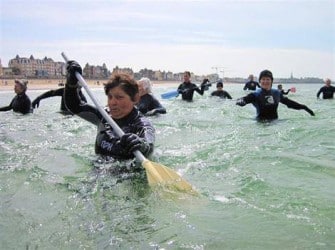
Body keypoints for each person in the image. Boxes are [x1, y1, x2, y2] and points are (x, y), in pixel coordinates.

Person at [64, 60, 155, 164]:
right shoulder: (103, 115)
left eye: (119, 97)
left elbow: (149, 142)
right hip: (98, 171)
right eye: (110, 97)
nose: (112, 102)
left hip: (127, 176)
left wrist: (142, 145)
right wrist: (71, 83)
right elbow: (74, 106)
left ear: (135, 99)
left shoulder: (142, 124)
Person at [236, 70, 315, 121]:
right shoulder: (256, 94)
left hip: (275, 123)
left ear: (271, 81)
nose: (265, 81)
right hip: (261, 125)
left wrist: (304, 107)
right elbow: (243, 99)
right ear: (260, 81)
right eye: (263, 79)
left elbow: (289, 103)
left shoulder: (276, 93)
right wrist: (240, 101)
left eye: (268, 79)